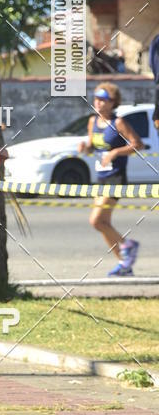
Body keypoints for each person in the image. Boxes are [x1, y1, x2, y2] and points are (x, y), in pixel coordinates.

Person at [78, 83, 144, 276]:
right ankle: (124, 263)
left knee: (96, 220)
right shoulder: (92, 121)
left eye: (103, 100)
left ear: (113, 103)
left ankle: (127, 245)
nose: (98, 103)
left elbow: (138, 144)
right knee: (101, 223)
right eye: (96, 99)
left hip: (116, 178)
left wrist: (116, 152)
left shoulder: (119, 123)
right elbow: (93, 147)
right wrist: (85, 148)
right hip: (102, 177)